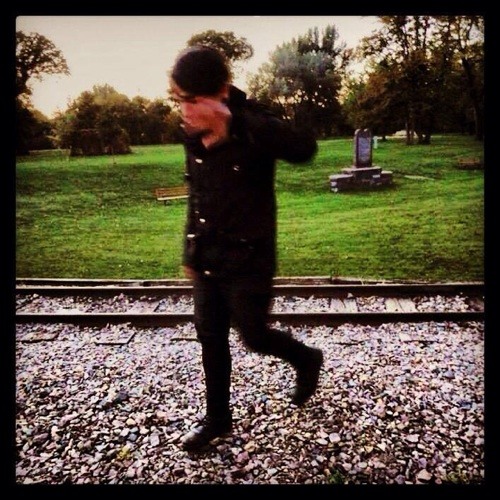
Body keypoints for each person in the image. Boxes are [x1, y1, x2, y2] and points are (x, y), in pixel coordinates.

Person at [169, 45, 324, 452]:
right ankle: (217, 419)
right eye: (178, 100)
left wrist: (235, 121)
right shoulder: (191, 132)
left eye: (191, 100)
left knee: (254, 335)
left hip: (249, 257)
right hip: (207, 254)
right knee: (210, 336)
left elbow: (304, 148)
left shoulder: (255, 122)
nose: (183, 110)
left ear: (220, 92)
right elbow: (196, 195)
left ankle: (306, 359)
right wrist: (189, 251)